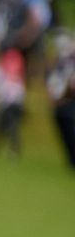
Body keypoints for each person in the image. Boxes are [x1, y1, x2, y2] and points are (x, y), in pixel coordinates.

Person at [0, 47, 27, 160]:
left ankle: (11, 151)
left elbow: (18, 91)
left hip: (14, 104)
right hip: (4, 104)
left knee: (12, 128)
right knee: (1, 128)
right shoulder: (0, 72)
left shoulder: (17, 76)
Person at [47, 31, 75, 170]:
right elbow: (55, 78)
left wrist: (65, 95)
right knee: (64, 129)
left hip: (69, 100)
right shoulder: (62, 59)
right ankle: (71, 160)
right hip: (59, 101)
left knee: (71, 129)